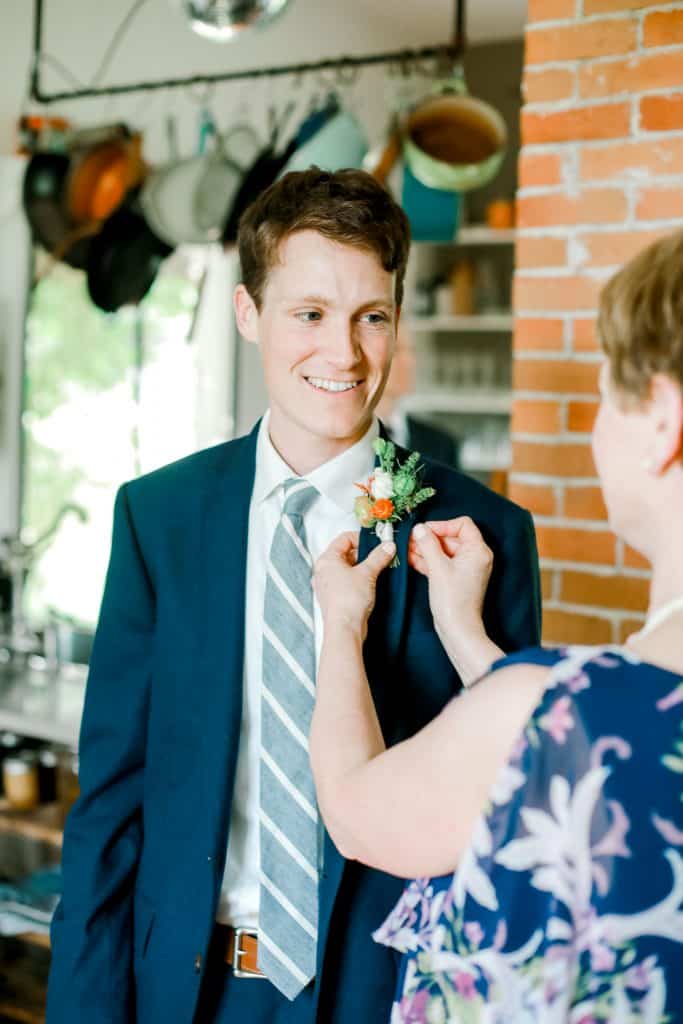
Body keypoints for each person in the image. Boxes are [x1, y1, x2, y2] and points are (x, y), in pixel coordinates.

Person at [46, 167, 542, 1024]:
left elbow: (510, 815)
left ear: (395, 319)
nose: (342, 354)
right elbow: (112, 803)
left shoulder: (482, 534)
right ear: (249, 315)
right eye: (308, 314)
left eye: (370, 317)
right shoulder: (157, 519)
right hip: (185, 990)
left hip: (386, 994)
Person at [310, 227, 683, 1021]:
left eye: (605, 391)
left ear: (661, 418)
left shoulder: (551, 707)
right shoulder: (560, 709)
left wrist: (340, 627)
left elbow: (352, 810)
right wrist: (470, 642)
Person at [375, 321, 461, 467]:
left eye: (412, 351)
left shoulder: (442, 445)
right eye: (396, 351)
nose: (410, 362)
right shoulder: (338, 444)